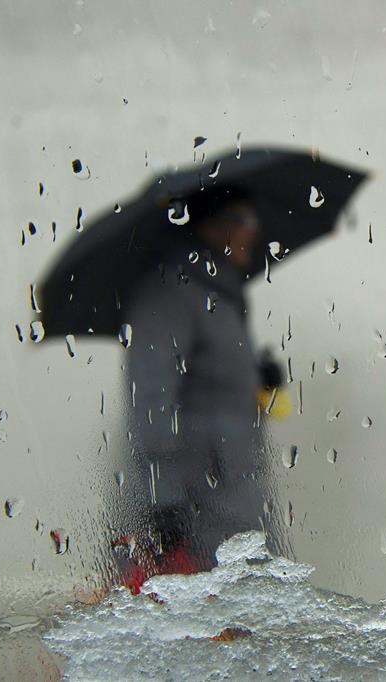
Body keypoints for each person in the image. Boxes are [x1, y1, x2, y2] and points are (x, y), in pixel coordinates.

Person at [114, 185, 272, 592]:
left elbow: (211, 389)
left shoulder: (217, 293)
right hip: (192, 511)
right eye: (244, 220)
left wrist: (259, 379)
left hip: (229, 500)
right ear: (210, 225)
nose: (253, 233)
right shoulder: (168, 291)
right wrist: (163, 502)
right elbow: (150, 400)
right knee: (194, 635)